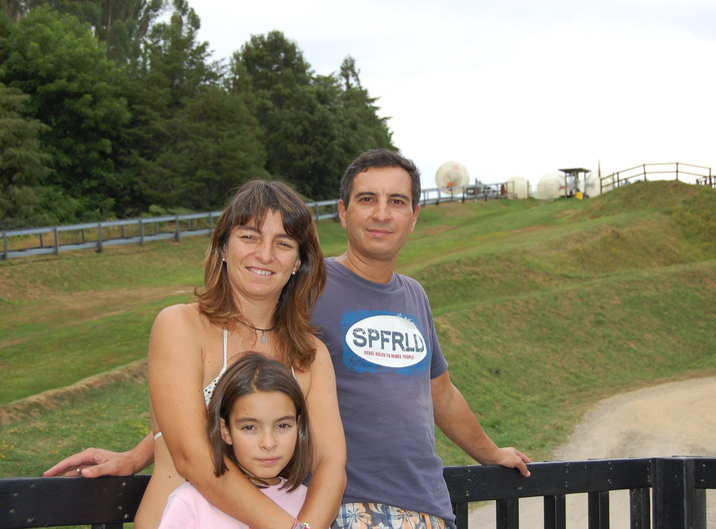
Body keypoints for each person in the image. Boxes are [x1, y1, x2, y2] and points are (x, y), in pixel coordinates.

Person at [45, 180, 346, 529]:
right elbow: (193, 455)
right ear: (222, 247)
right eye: (249, 236)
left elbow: (330, 463)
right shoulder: (181, 327)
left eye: (283, 243)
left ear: (298, 262)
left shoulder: (311, 354)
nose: (265, 254)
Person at [313, 149, 531, 528]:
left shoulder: (414, 295)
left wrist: (492, 453)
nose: (382, 213)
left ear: (413, 217)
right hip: (348, 507)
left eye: (397, 202)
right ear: (344, 212)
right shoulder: (310, 287)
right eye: (367, 199)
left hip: (429, 508)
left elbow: (441, 393)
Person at [159, 353, 312, 529]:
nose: (269, 443)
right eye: (250, 427)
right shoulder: (189, 502)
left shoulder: (307, 503)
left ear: (298, 426)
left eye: (283, 425)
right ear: (226, 431)